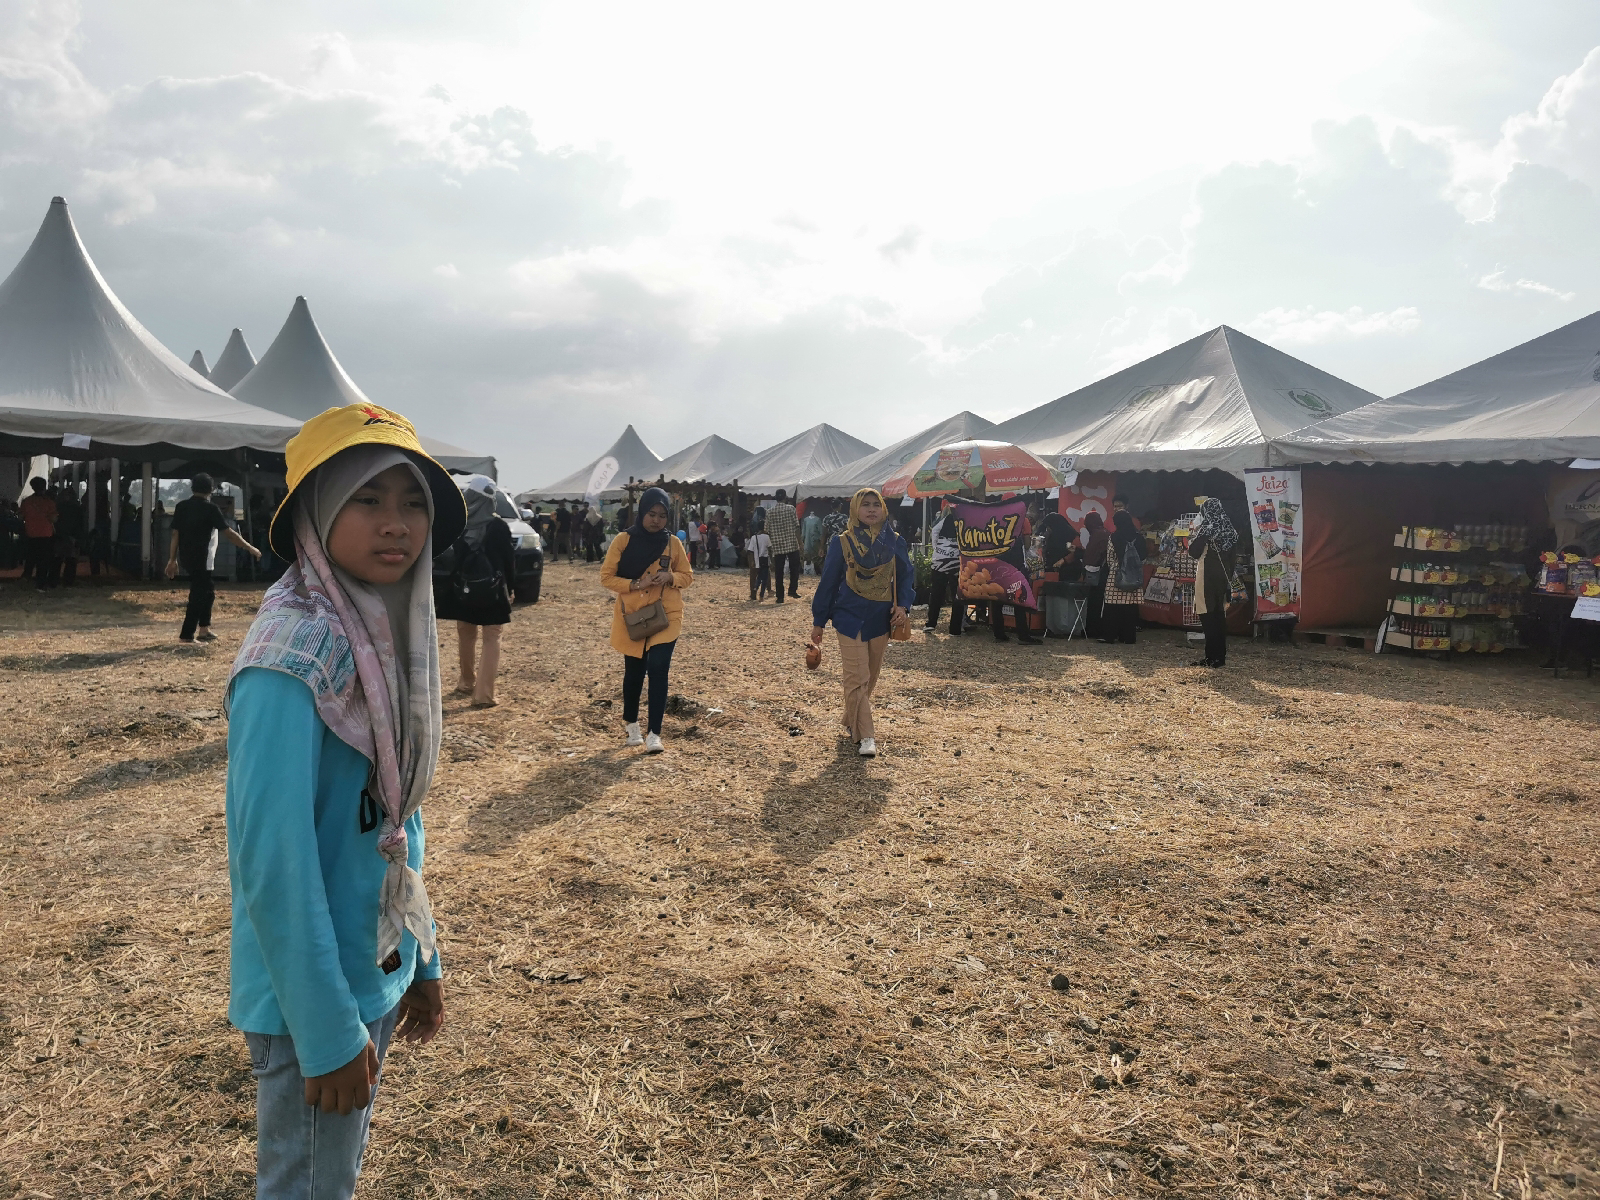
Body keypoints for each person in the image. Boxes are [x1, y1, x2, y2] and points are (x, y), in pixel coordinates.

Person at [224, 403, 460, 1199]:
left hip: (370, 963)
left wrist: (421, 958)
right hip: (310, 1003)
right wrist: (326, 1032)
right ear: (315, 512)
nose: (397, 523)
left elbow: (398, 816)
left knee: (333, 1175)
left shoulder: (381, 630)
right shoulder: (288, 660)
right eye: (368, 499)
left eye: (414, 502)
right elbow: (272, 862)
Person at [810, 488, 914, 758]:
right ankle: (866, 735)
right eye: (865, 504)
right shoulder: (842, 542)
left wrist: (903, 606)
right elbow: (828, 582)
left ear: (884, 509)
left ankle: (851, 718)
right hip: (848, 617)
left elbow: (906, 576)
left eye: (876, 505)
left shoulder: (895, 542)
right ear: (856, 509)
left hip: (881, 618)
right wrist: (819, 621)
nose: (871, 509)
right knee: (856, 678)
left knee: (870, 677)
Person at [600, 487, 693, 753]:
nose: (656, 520)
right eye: (652, 514)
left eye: (662, 516)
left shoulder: (672, 543)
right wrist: (635, 584)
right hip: (634, 615)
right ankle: (632, 726)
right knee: (634, 672)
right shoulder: (623, 540)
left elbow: (687, 576)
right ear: (642, 513)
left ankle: (655, 733)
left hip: (666, 614)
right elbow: (606, 577)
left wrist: (670, 577)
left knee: (659, 667)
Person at [436, 475, 515, 706]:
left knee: (466, 635)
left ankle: (466, 682)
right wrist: (511, 587)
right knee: (492, 637)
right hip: (492, 590)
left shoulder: (460, 524)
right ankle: (483, 695)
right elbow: (508, 561)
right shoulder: (498, 526)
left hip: (463, 589)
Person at [166, 474, 263, 643]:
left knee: (208, 591)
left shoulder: (182, 506)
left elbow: (175, 533)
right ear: (211, 489)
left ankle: (204, 629)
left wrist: (172, 559)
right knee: (198, 595)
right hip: (203, 557)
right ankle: (186, 635)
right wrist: (250, 547)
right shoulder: (210, 509)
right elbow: (229, 533)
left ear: (192, 488)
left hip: (186, 555)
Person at [1188, 497, 1238, 667]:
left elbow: (1194, 552)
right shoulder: (1230, 530)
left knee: (1207, 615)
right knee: (1219, 615)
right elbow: (1233, 559)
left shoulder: (1207, 528)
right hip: (1223, 578)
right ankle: (1220, 656)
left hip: (1207, 576)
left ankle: (1211, 656)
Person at [1099, 510, 1144, 645]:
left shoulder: (1114, 536)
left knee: (1112, 606)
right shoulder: (1138, 536)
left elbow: (1110, 557)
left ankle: (1110, 635)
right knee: (1130, 607)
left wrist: (1116, 567)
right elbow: (1143, 555)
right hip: (1134, 575)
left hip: (1117, 574)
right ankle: (1129, 637)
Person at [923, 502, 964, 634]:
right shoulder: (962, 520)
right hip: (956, 561)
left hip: (939, 561)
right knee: (957, 595)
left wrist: (938, 549)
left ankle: (931, 623)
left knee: (936, 593)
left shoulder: (941, 520)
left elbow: (934, 534)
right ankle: (955, 629)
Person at [19, 477, 57, 590]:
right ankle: (40, 584)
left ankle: (26, 577)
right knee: (43, 561)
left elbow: (21, 517)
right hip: (46, 534)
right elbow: (54, 519)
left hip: (30, 533)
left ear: (32, 487)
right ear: (44, 487)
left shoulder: (26, 502)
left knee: (30, 558)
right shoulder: (49, 502)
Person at [766, 489, 801, 601]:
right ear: (785, 498)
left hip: (777, 545)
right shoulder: (791, 509)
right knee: (794, 569)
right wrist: (800, 543)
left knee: (779, 572)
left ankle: (780, 596)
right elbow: (796, 527)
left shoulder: (769, 512)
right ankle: (792, 590)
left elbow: (767, 530)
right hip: (792, 543)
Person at [1080, 511, 1109, 638]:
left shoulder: (1097, 535)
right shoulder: (1105, 532)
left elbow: (1091, 556)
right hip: (1105, 571)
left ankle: (1092, 629)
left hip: (1097, 573)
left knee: (1094, 602)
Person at [55, 485, 85, 586]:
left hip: (60, 536)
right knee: (71, 561)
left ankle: (54, 581)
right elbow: (81, 524)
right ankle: (68, 582)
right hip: (72, 537)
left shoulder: (58, 507)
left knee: (57, 560)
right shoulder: (77, 508)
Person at [748, 525, 772, 600]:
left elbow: (750, 551)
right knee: (765, 577)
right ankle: (764, 593)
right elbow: (770, 549)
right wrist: (772, 560)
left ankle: (753, 593)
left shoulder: (753, 537)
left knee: (754, 577)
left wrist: (752, 561)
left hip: (756, 560)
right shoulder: (767, 537)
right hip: (765, 560)